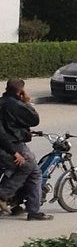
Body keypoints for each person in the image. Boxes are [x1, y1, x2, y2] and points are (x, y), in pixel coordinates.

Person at [0, 79, 53, 220]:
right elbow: (34, 119)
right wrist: (26, 101)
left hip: (7, 145)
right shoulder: (16, 104)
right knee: (33, 171)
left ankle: (16, 205)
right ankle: (31, 210)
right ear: (20, 90)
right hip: (12, 145)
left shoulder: (2, 101)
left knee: (18, 170)